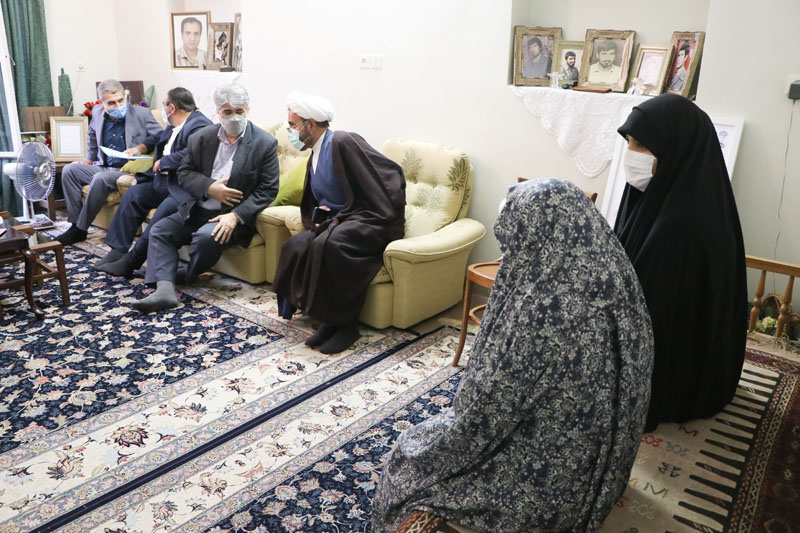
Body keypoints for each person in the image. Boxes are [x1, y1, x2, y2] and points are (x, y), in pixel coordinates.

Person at [373, 179, 654, 532]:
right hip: (600, 456)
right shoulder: (607, 267)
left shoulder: (548, 306)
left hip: (549, 472)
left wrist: (452, 435)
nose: (509, 255)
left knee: (410, 461)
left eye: (515, 243)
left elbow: (493, 403)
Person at [614, 94, 747, 431]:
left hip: (676, 366)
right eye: (629, 142)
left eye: (643, 145)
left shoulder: (685, 225)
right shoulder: (650, 193)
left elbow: (650, 311)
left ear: (675, 149)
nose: (631, 153)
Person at [272, 92, 405, 354]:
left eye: (293, 125)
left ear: (310, 124)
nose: (290, 131)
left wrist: (346, 213)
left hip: (372, 218)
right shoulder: (314, 154)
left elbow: (388, 172)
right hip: (342, 220)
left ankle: (346, 326)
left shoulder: (342, 140)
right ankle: (325, 319)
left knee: (332, 245)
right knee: (297, 244)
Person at [131, 85, 279, 313]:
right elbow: (184, 173)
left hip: (229, 216)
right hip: (197, 209)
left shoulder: (264, 143)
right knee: (159, 230)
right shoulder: (202, 137)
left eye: (239, 111)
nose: (234, 117)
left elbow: (268, 189)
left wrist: (235, 216)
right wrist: (210, 187)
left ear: (248, 110)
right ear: (217, 112)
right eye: (227, 112)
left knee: (205, 237)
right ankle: (164, 290)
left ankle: (187, 275)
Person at [94, 87, 212, 275]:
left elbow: (192, 153)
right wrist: (140, 147)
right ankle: (117, 251)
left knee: (162, 214)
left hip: (180, 186)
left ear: (172, 108)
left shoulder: (200, 126)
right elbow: (158, 137)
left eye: (164, 105)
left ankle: (131, 262)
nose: (163, 109)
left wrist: (164, 162)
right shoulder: (175, 124)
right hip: (161, 181)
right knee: (133, 195)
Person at [57, 79, 162, 246]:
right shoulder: (97, 112)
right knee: (69, 170)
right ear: (102, 103)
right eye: (111, 103)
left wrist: (141, 147)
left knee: (100, 178)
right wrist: (89, 158)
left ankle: (80, 229)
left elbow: (162, 136)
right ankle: (74, 223)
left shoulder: (142, 114)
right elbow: (92, 134)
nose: (118, 105)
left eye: (120, 100)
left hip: (125, 170)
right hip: (104, 165)